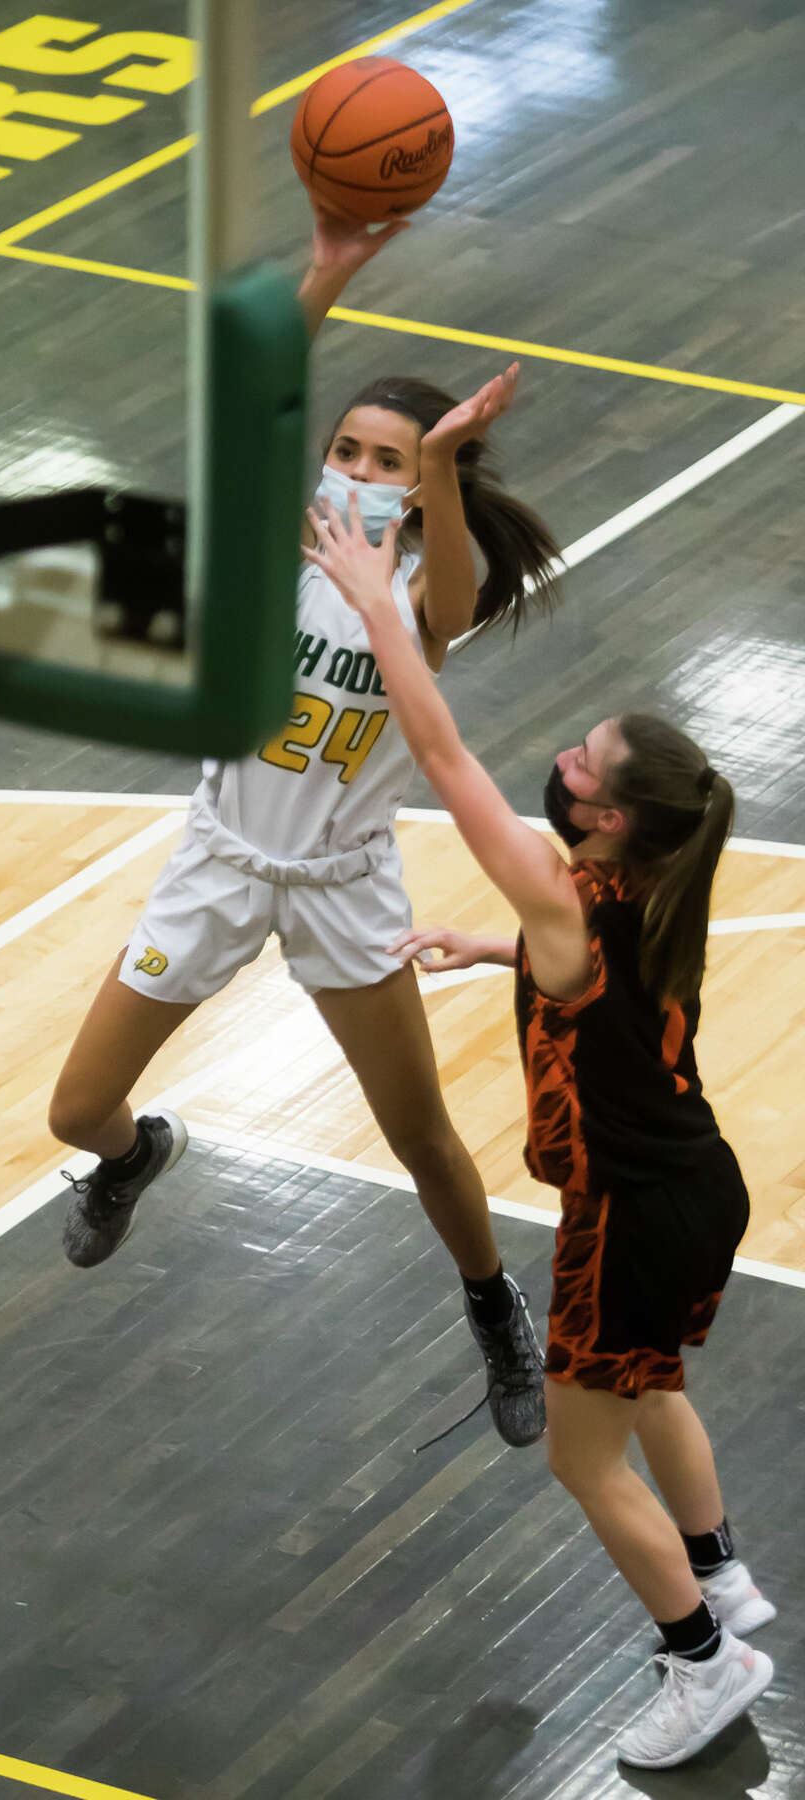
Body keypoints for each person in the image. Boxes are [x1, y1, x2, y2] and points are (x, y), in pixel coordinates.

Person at [48, 202, 562, 1449]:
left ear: (424, 482)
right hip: (220, 864)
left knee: (422, 1138)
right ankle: (135, 1157)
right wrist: (327, 270)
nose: (359, 473)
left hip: (342, 883)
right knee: (76, 1112)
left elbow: (450, 590)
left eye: (388, 461)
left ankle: (494, 1306)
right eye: (348, 450)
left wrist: (445, 460)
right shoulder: (280, 549)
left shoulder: (428, 596)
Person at [303, 481, 775, 1769]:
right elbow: (590, 980)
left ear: (609, 818)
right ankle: (721, 1578)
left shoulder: (577, 896)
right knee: (651, 1383)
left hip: (628, 1218)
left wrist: (379, 610)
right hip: (700, 1190)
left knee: (584, 1457)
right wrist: (495, 949)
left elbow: (444, 758)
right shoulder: (657, 891)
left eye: (579, 765)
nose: (560, 760)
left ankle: (705, 1661)